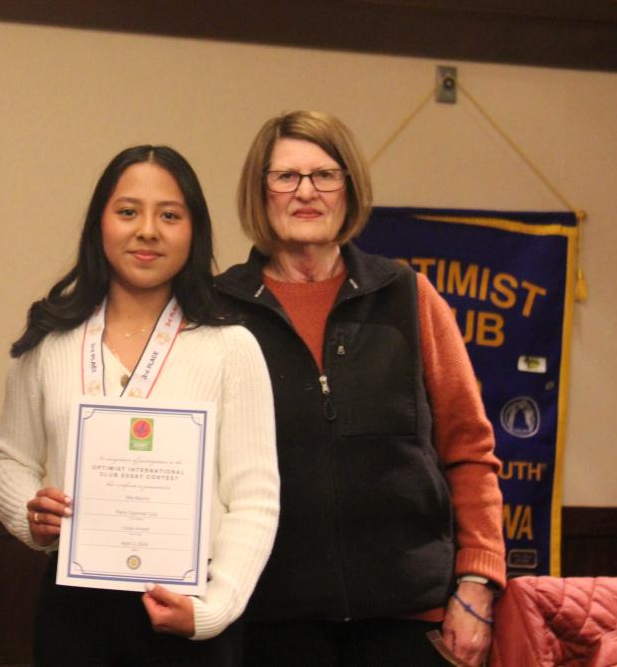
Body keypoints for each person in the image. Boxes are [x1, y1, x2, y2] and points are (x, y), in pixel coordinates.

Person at [215, 111, 505, 666]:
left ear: (349, 190)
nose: (306, 192)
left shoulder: (411, 297)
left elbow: (469, 449)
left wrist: (478, 581)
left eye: (325, 175)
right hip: (265, 621)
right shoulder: (219, 311)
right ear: (261, 191)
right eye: (286, 177)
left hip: (409, 621)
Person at [0, 145, 279, 666]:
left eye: (169, 215)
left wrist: (211, 609)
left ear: (194, 231)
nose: (148, 230)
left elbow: (254, 498)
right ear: (100, 223)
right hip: (75, 612)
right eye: (128, 212)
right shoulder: (50, 341)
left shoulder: (232, 347)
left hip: (188, 614)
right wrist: (30, 514)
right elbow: (8, 459)